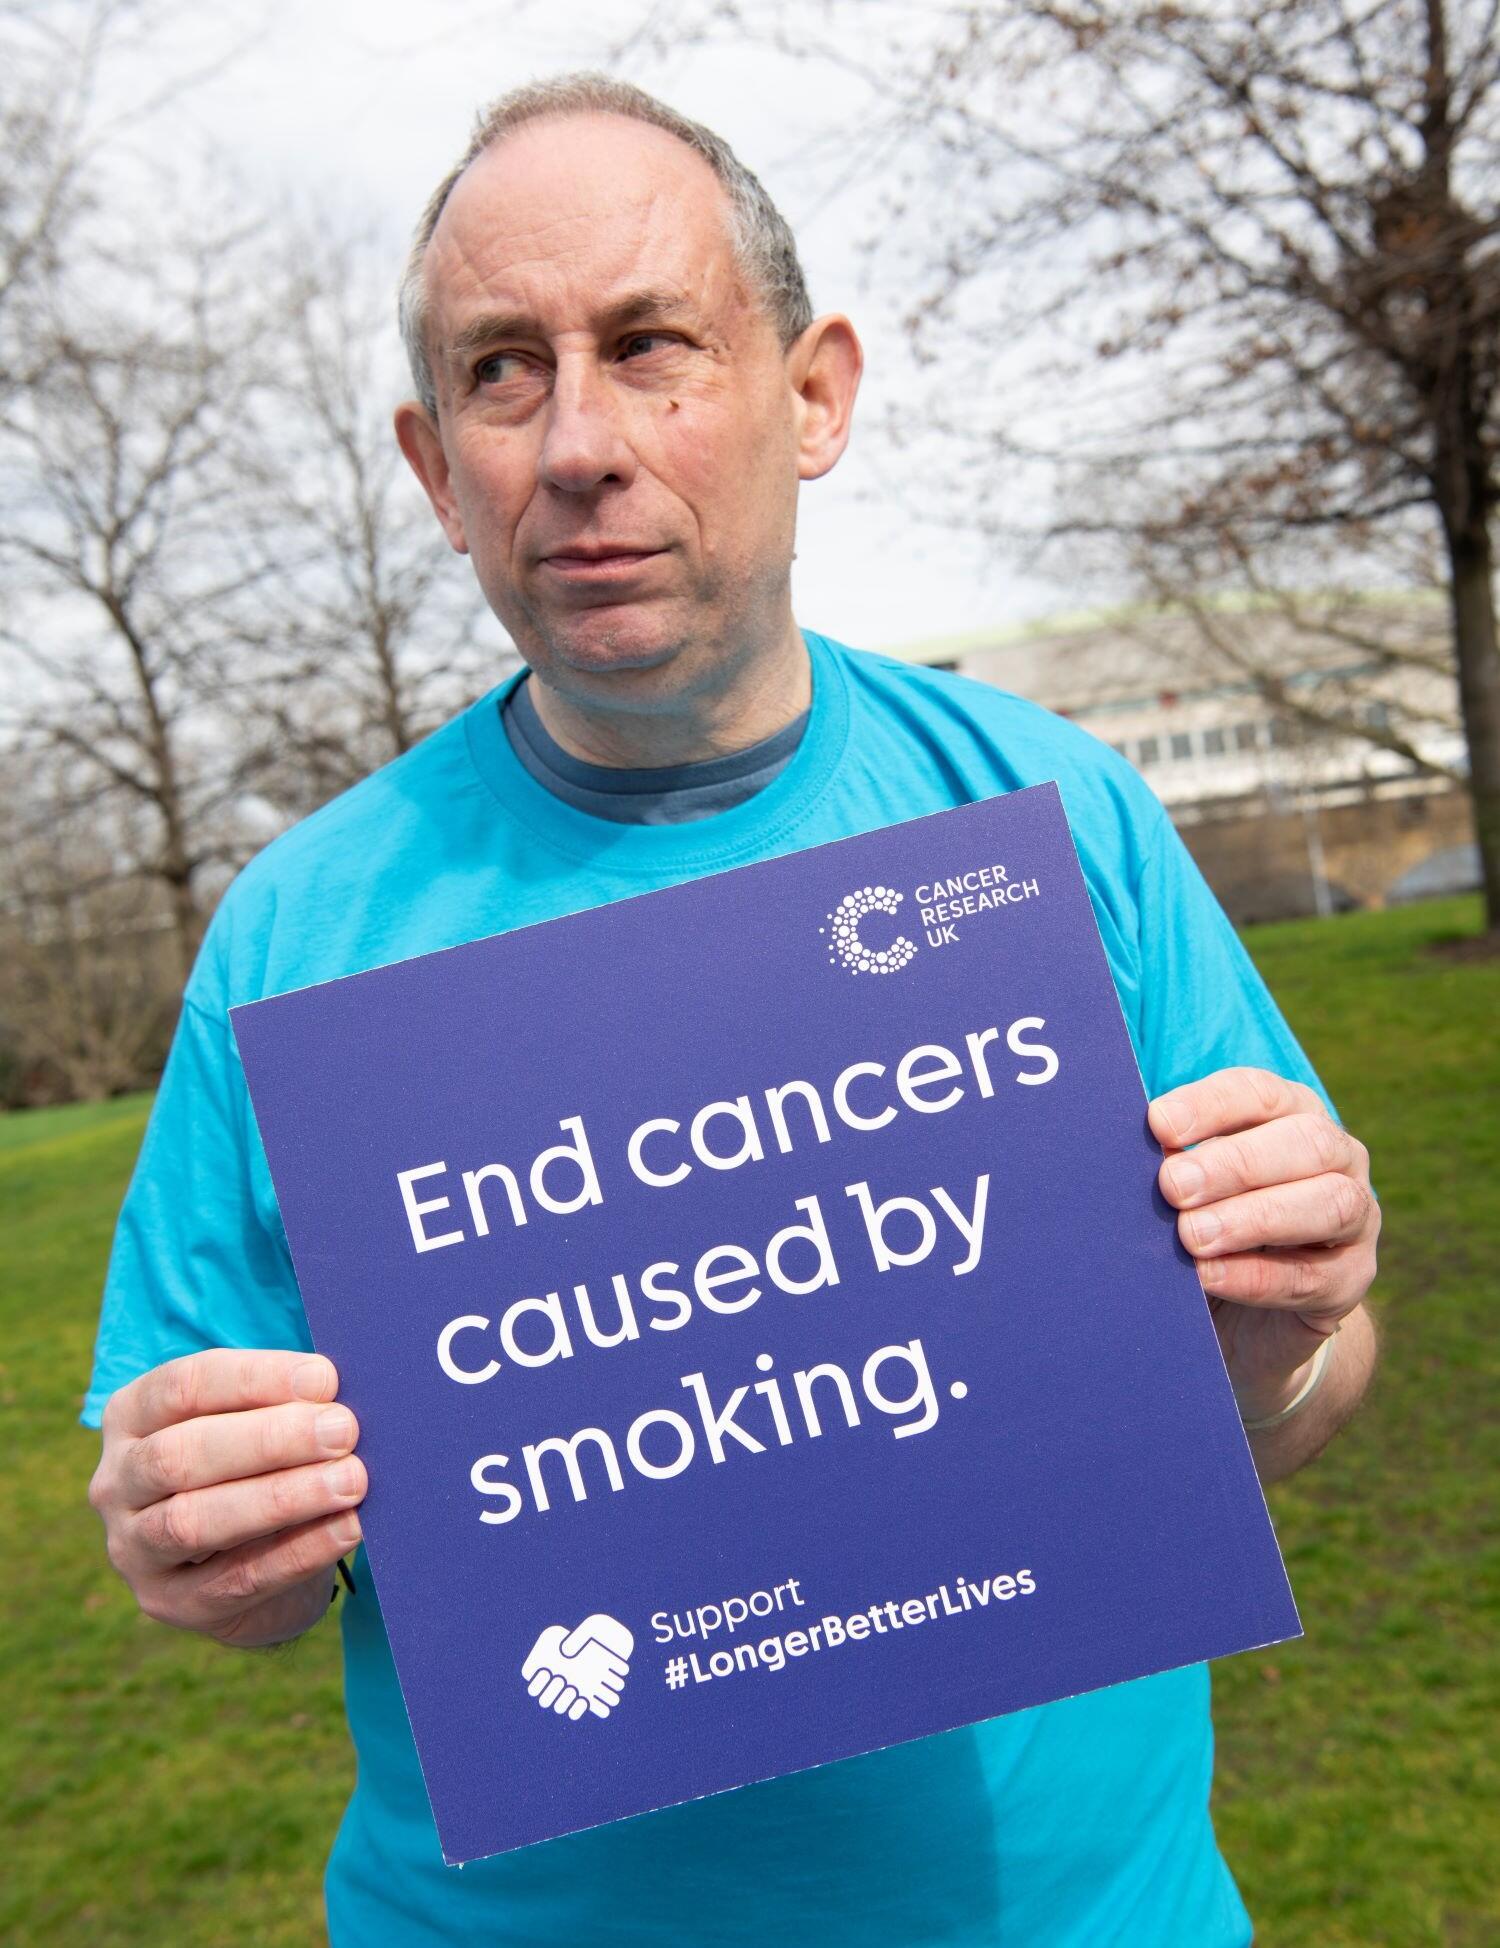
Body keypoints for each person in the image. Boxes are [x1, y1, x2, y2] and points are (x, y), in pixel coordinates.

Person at [83, 74, 1379, 1946]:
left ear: (813, 391)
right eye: (503, 372)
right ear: (437, 470)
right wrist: (209, 1538)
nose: (581, 441)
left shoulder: (1049, 813)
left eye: (652, 343)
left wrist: (1287, 1336)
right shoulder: (298, 939)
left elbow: (1303, 1396)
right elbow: (253, 1564)